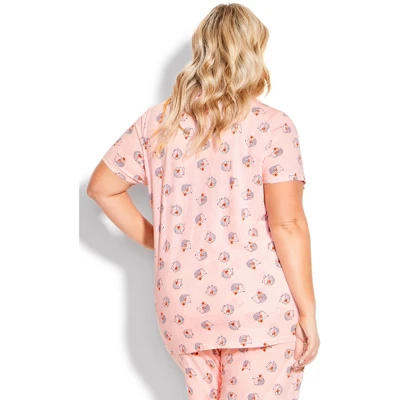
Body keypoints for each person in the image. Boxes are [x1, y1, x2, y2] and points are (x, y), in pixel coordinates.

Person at [87, 3, 320, 399]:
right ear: (253, 51)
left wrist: (161, 241)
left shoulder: (158, 122)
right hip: (256, 310)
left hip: (184, 308)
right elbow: (287, 224)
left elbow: (102, 188)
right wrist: (307, 312)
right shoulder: (272, 126)